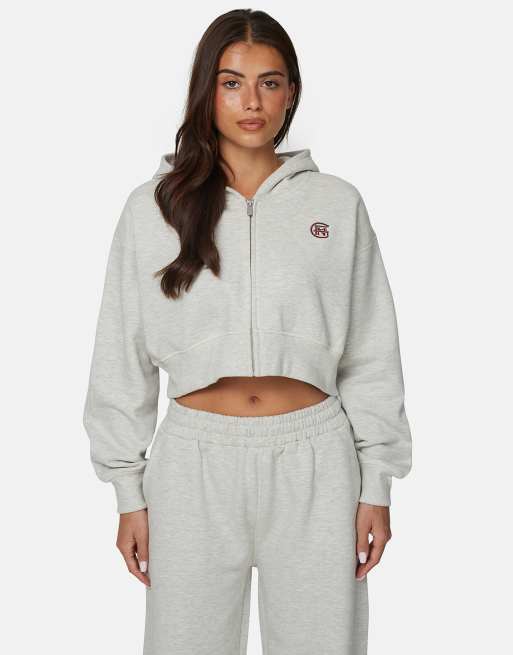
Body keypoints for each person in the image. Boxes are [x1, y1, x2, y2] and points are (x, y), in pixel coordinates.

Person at [82, 8, 413, 655]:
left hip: (316, 459)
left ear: (291, 93)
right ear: (206, 91)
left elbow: (372, 352)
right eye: (231, 83)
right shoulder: (155, 207)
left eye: (269, 82)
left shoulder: (335, 203)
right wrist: (128, 493)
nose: (251, 101)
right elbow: (120, 353)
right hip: (193, 463)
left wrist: (376, 483)